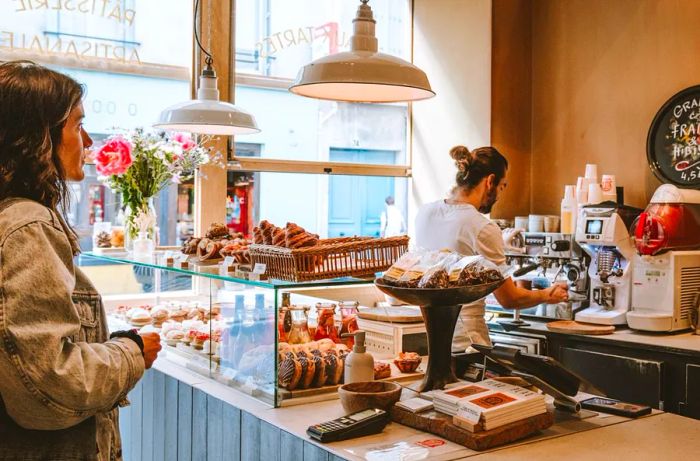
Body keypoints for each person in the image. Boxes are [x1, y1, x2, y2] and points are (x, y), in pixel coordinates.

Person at [0, 61, 161, 460]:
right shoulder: (26, 226)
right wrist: (131, 353)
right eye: (76, 124)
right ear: (38, 136)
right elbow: (50, 379)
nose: (87, 140)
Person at [415, 145, 568, 352]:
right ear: (490, 182)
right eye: (502, 187)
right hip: (466, 343)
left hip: (427, 339)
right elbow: (509, 298)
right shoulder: (482, 227)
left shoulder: (425, 213)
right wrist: (548, 295)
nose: (499, 195)